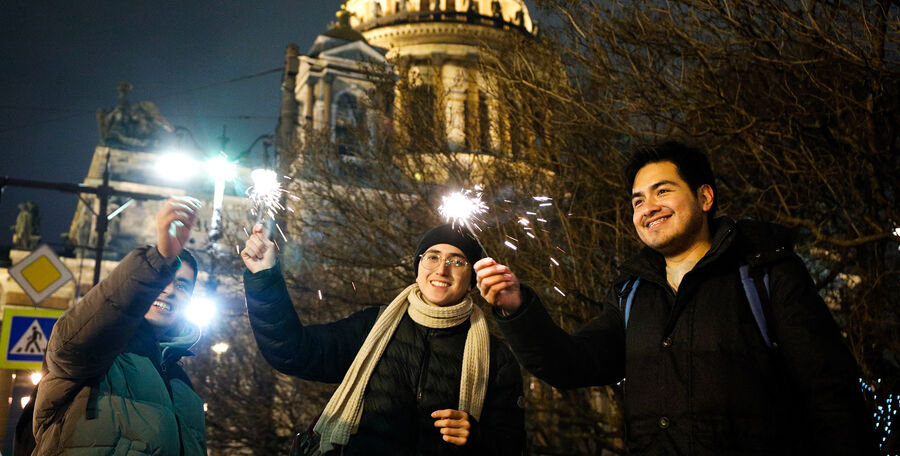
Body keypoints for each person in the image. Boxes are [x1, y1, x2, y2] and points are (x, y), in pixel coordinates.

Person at [475, 141, 877, 455]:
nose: (648, 208)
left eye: (662, 191)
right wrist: (516, 308)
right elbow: (571, 364)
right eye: (637, 201)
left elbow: (833, 397)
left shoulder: (766, 275)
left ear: (705, 198)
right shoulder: (631, 293)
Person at [241, 223, 525, 455]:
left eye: (457, 261)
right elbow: (294, 352)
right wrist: (265, 278)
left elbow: (513, 446)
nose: (441, 269)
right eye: (433, 257)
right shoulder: (373, 326)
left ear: (472, 278)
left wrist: (477, 437)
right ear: (418, 266)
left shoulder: (495, 356)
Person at [32, 197, 207, 455]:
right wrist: (158, 259)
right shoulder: (95, 350)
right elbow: (79, 336)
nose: (169, 290)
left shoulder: (184, 387)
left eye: (182, 285)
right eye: (165, 278)